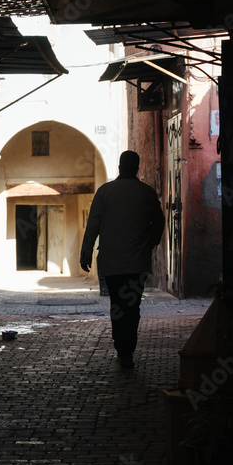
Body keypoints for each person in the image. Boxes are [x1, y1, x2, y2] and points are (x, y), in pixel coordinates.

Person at [80, 151, 166, 369]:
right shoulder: (146, 193)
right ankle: (127, 350)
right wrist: (149, 244)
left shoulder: (105, 192)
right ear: (137, 167)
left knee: (117, 304)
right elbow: (159, 222)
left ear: (119, 166)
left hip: (112, 263)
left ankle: (121, 347)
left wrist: (86, 252)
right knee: (132, 306)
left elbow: (93, 225)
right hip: (136, 264)